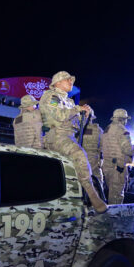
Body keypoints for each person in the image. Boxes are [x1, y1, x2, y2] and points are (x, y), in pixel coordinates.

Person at [39, 71, 107, 213]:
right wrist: (77, 109)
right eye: (67, 80)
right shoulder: (53, 97)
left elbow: (77, 124)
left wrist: (85, 114)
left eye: (71, 80)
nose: (71, 82)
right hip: (57, 136)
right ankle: (93, 196)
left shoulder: (68, 101)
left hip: (69, 136)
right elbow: (58, 115)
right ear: (57, 83)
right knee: (79, 154)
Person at [101, 108, 134, 204]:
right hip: (118, 167)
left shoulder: (106, 130)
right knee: (116, 196)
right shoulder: (122, 130)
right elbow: (127, 149)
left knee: (110, 193)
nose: (126, 121)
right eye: (125, 119)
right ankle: (113, 218)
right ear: (122, 119)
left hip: (107, 166)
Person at [81, 113, 104, 188]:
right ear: (92, 118)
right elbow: (102, 146)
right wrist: (101, 160)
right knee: (98, 183)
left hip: (80, 159)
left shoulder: (78, 129)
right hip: (94, 161)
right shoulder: (98, 130)